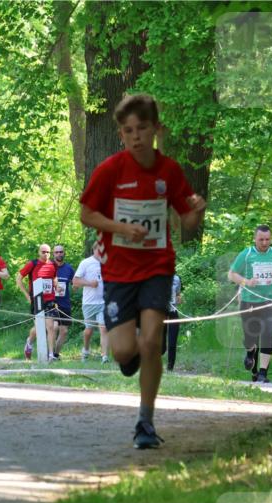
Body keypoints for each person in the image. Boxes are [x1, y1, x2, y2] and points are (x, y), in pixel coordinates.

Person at [80, 93, 207, 448]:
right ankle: (130, 351)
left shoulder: (169, 171)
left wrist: (197, 209)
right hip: (119, 271)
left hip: (156, 267)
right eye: (128, 130)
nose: (135, 137)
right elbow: (87, 214)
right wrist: (121, 228)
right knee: (124, 352)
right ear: (121, 134)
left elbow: (187, 221)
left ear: (155, 129)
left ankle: (145, 422)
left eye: (142, 129)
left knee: (152, 342)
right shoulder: (110, 170)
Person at [228, 225, 272, 383]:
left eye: (267, 239)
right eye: (261, 239)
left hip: (269, 301)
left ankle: (262, 373)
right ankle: (250, 352)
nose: (265, 243)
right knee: (250, 337)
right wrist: (246, 282)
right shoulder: (246, 254)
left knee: (267, 334)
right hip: (249, 301)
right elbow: (232, 274)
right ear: (255, 239)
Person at [16, 245, 58, 360]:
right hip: (37, 300)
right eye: (43, 252)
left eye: (48, 252)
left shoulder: (53, 264)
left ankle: (50, 355)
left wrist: (56, 285)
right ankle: (29, 342)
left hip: (50, 299)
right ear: (39, 252)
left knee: (51, 327)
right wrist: (27, 296)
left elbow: (54, 278)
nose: (46, 254)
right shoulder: (32, 264)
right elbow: (18, 279)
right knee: (40, 327)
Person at [73, 247, 109, 363]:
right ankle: (86, 350)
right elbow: (75, 281)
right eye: (99, 249)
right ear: (94, 250)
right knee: (89, 330)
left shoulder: (108, 262)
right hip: (89, 303)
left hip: (103, 302)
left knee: (104, 328)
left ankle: (105, 357)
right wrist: (89, 283)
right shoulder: (86, 263)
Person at [49, 244, 76, 358]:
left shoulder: (69, 268)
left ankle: (55, 354)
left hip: (65, 303)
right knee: (54, 327)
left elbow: (74, 284)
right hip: (51, 302)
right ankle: (49, 353)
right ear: (53, 254)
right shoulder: (48, 267)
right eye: (57, 252)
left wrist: (76, 286)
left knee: (64, 331)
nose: (59, 254)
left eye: (61, 252)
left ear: (64, 253)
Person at [166, 273, 182, 372]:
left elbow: (178, 295)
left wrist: (178, 299)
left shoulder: (176, 279)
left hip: (173, 311)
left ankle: (170, 367)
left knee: (172, 342)